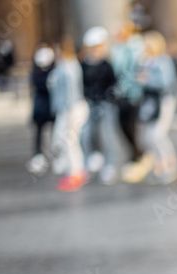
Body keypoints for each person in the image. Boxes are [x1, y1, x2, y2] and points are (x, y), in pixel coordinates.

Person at [126, 30, 177, 184]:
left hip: (163, 101)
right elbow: (134, 77)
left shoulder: (163, 61)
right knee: (148, 136)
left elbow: (166, 82)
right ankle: (159, 164)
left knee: (158, 134)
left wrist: (147, 80)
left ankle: (170, 164)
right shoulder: (145, 61)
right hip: (149, 102)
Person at [48, 37, 89, 192]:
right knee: (65, 141)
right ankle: (73, 169)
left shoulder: (69, 66)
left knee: (70, 141)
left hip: (71, 108)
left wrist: (69, 112)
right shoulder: (64, 66)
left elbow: (71, 91)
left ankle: (76, 172)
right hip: (66, 108)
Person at [80, 27, 120, 184]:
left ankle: (110, 165)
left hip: (106, 105)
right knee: (86, 133)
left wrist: (109, 97)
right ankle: (92, 157)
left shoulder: (106, 65)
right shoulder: (84, 64)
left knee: (107, 134)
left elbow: (114, 84)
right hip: (90, 104)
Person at [111, 21, 145, 168]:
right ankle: (135, 151)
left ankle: (137, 154)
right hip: (122, 93)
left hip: (133, 92)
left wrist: (122, 89)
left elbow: (132, 71)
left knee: (131, 124)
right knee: (122, 125)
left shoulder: (134, 48)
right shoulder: (118, 49)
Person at [28, 44, 56, 177]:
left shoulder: (54, 70)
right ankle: (38, 155)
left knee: (56, 132)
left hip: (52, 106)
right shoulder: (36, 72)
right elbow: (40, 86)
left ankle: (56, 155)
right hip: (41, 108)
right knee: (39, 134)